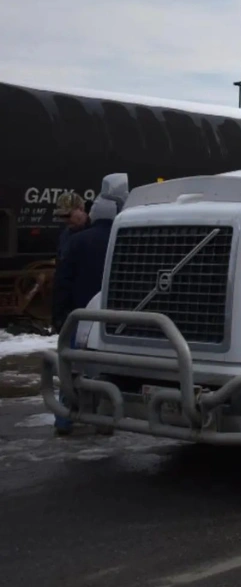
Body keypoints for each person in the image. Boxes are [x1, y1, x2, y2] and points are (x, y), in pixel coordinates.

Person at [51, 178, 124, 436]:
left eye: (69, 215)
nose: (66, 221)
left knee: (76, 367)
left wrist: (59, 315)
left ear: (83, 210)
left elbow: (62, 280)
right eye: (62, 218)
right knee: (90, 368)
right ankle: (90, 418)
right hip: (94, 314)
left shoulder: (79, 241)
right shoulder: (80, 236)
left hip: (84, 315)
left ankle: (69, 418)